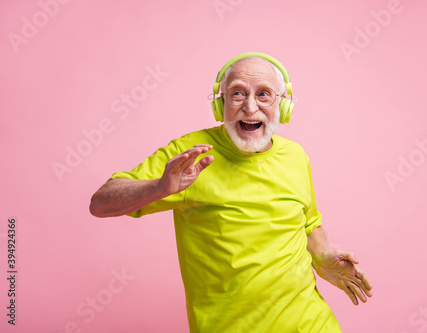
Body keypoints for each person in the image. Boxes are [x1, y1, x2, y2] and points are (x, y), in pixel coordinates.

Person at [89, 52, 372, 332]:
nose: (250, 108)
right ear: (220, 103)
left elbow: (308, 224)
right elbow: (100, 203)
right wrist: (159, 187)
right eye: (238, 94)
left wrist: (322, 256)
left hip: (312, 324)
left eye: (264, 95)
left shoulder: (296, 156)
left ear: (283, 106)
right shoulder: (190, 155)